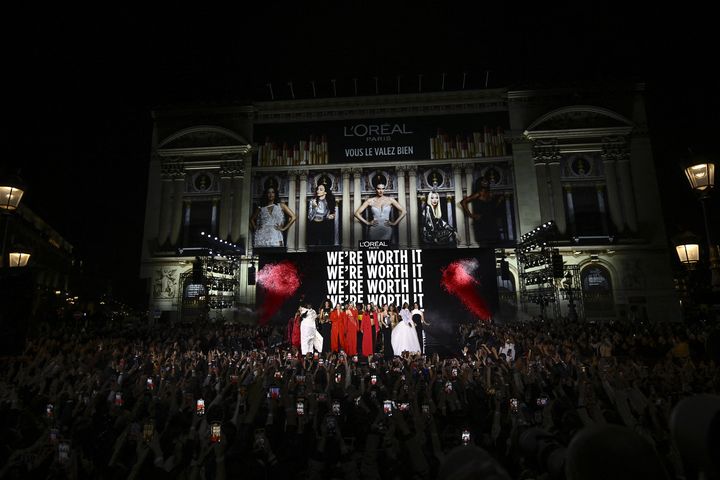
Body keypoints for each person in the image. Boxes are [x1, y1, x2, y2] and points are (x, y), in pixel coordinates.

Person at [354, 176, 406, 241]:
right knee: (374, 249)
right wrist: (367, 223)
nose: (381, 191)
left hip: (387, 229)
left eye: (382, 189)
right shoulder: (370, 200)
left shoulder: (390, 200)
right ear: (375, 189)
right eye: (379, 189)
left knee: (386, 249)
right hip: (374, 229)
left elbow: (404, 211)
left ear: (384, 189)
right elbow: (356, 213)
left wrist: (394, 223)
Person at [459, 179, 503, 243]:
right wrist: (471, 215)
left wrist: (499, 201)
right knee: (484, 242)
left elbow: (492, 207)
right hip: (482, 221)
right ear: (480, 183)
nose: (485, 182)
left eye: (486, 181)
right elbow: (463, 202)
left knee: (495, 241)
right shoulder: (478, 194)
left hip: (491, 220)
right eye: (483, 181)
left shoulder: (490, 194)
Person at [307, 182, 337, 246]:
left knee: (325, 245)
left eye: (321, 189)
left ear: (325, 192)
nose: (318, 191)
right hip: (314, 226)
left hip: (325, 225)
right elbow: (310, 217)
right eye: (318, 189)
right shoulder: (313, 201)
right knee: (314, 246)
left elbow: (332, 214)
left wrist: (331, 216)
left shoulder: (329, 201)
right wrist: (314, 207)